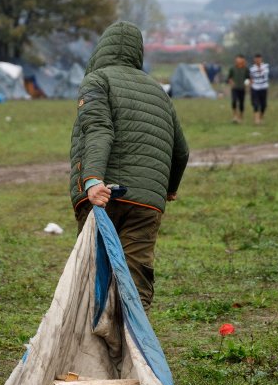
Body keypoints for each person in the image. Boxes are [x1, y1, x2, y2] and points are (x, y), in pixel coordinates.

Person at [70, 21, 189, 313]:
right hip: (147, 202)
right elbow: (181, 151)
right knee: (136, 281)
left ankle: (97, 351)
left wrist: (93, 181)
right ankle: (135, 353)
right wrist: (169, 188)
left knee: (94, 277)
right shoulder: (158, 91)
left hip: (104, 196)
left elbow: (99, 130)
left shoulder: (97, 81)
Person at [225, 55, 249, 123]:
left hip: (242, 88)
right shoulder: (232, 69)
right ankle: (234, 116)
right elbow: (229, 77)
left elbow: (248, 78)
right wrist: (231, 82)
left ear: (243, 60)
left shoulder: (245, 69)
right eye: (237, 60)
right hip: (234, 88)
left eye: (240, 60)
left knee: (241, 103)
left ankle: (241, 116)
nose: (238, 61)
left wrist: (246, 84)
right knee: (234, 101)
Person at [249, 53, 270, 124]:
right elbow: (250, 77)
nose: (258, 60)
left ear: (261, 59)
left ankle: (261, 117)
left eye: (259, 59)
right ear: (254, 60)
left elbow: (265, 73)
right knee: (255, 104)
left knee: (264, 105)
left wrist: (260, 68)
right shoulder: (252, 68)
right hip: (255, 87)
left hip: (263, 87)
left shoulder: (266, 66)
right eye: (256, 59)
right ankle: (256, 119)